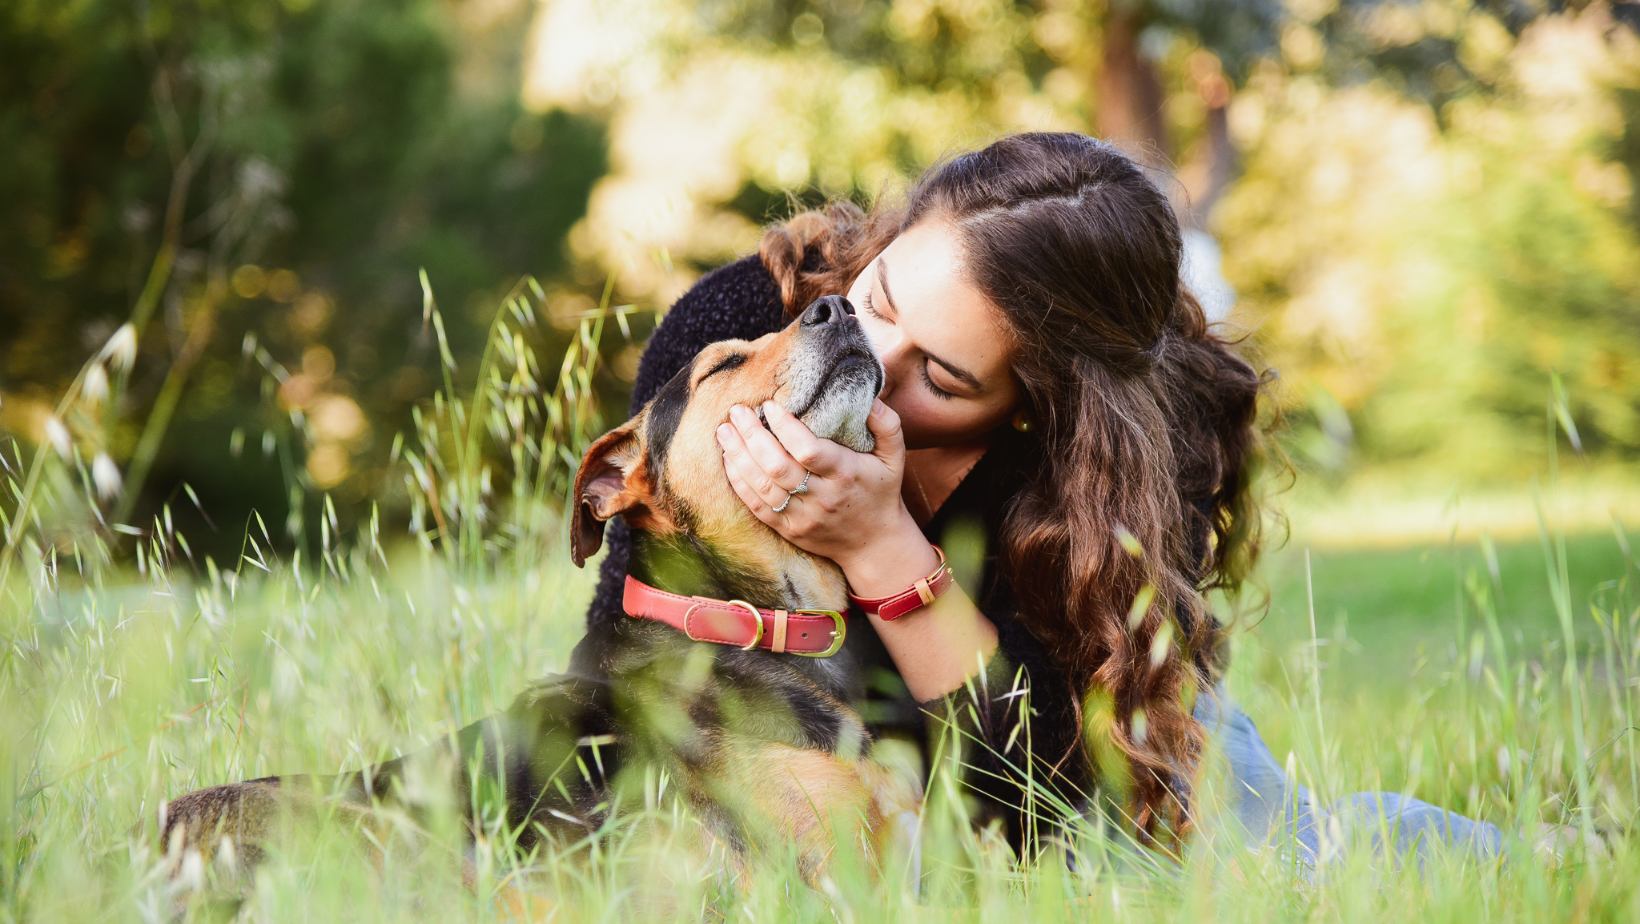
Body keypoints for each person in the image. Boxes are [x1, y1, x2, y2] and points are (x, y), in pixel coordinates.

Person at [582, 132, 1501, 866]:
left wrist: (881, 549)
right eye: (885, 295)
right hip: (840, 758)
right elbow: (636, 647)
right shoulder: (745, 325)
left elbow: (1040, 798)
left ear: (1036, 406)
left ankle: (1519, 851)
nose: (870, 354)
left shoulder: (1097, 492)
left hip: (1089, 742)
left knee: (1276, 859)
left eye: (941, 376)